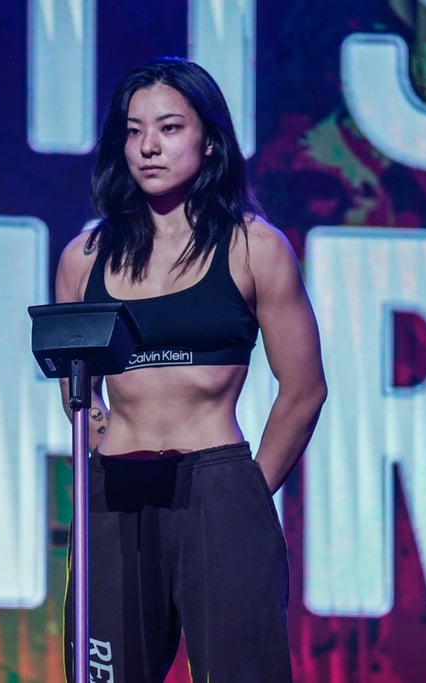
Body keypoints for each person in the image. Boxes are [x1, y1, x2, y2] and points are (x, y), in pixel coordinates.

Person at [55, 56, 327, 682]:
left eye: (170, 127)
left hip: (217, 485)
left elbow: (304, 389)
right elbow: (77, 387)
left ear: (209, 140)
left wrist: (248, 490)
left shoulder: (254, 247)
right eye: (134, 130)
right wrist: (99, 437)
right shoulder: (83, 257)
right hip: (115, 492)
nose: (148, 146)